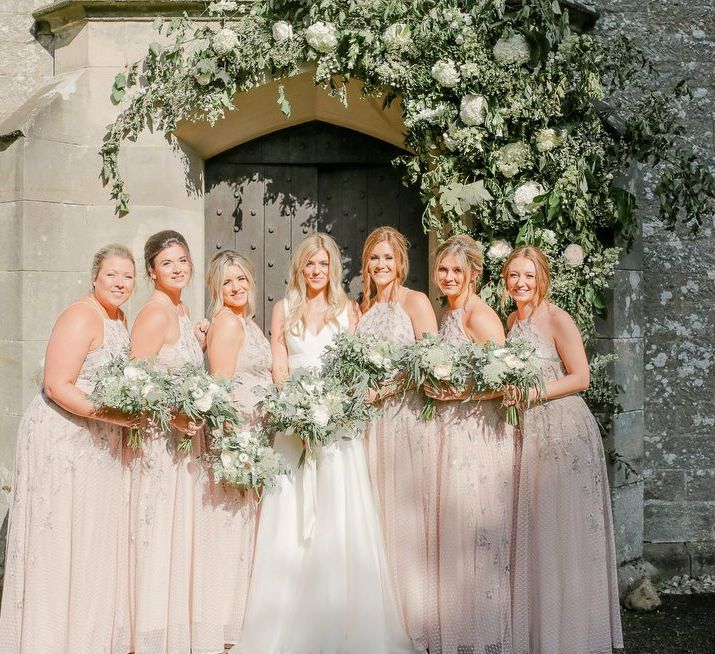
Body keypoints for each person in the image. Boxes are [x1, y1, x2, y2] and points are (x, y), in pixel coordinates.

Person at [235, 233, 412, 654]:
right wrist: (293, 408)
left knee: (339, 516)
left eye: (324, 264)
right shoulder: (283, 311)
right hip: (293, 430)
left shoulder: (348, 311)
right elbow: (279, 366)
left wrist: (334, 407)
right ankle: (281, 624)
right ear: (300, 267)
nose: (317, 271)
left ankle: (343, 623)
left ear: (334, 268)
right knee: (290, 521)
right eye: (310, 264)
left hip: (337, 429)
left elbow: (355, 368)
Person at [0, 244, 137, 653]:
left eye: (128, 276)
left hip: (96, 441)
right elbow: (57, 385)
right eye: (112, 274)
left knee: (89, 538)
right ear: (94, 277)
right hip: (62, 440)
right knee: (60, 536)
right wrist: (119, 417)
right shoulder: (82, 315)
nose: (119, 283)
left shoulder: (120, 318)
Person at [504, 245, 623, 654]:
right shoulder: (510, 321)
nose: (521, 283)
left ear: (542, 279)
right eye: (514, 276)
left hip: (563, 429)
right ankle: (540, 629)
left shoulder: (557, 318)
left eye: (528, 276)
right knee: (538, 528)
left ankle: (572, 633)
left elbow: (581, 377)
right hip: (528, 430)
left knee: (563, 526)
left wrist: (531, 393)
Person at [424, 234, 514, 654]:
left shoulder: (479, 316)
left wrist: (461, 395)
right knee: (455, 532)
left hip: (476, 434)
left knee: (477, 531)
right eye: (443, 269)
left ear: (474, 274)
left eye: (457, 270)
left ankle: (486, 638)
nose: (448, 277)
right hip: (450, 432)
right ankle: (460, 633)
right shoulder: (449, 313)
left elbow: (506, 380)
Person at [356, 226, 438, 651]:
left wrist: (386, 388)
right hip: (367, 425)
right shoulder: (363, 306)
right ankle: (381, 616)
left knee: (405, 514)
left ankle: (415, 618)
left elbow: (432, 362)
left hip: (404, 419)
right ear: (366, 264)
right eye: (374, 259)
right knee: (374, 514)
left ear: (401, 262)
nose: (381, 265)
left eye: (388, 258)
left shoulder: (416, 302)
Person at [128, 230, 208, 654]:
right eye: (167, 263)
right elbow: (135, 382)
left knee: (178, 529)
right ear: (151, 272)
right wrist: (173, 414)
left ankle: (173, 625)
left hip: (185, 441)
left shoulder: (180, 309)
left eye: (182, 260)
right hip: (160, 438)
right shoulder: (155, 314)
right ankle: (149, 633)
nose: (177, 269)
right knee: (157, 528)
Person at [203, 251, 268, 645]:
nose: (236, 287)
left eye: (241, 278)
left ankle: (241, 615)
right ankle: (225, 620)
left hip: (257, 433)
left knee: (247, 526)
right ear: (216, 289)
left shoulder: (247, 322)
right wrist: (233, 445)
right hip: (239, 434)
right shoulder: (227, 322)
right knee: (231, 524)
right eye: (227, 282)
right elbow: (221, 386)